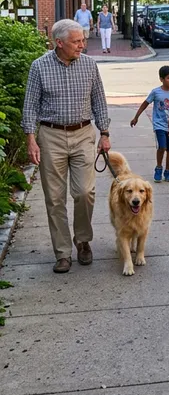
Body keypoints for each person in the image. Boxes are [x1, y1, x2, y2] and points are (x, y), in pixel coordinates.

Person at [22, 19, 111, 273]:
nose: (82, 45)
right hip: (51, 136)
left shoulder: (90, 65)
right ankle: (62, 253)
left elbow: (99, 101)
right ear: (59, 43)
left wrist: (104, 133)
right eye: (77, 41)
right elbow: (30, 105)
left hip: (83, 133)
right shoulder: (39, 67)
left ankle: (83, 240)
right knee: (54, 198)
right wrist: (30, 138)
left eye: (83, 40)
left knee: (85, 192)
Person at [130, 65, 169, 183]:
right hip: (159, 125)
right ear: (161, 79)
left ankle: (167, 171)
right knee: (162, 147)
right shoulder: (156, 92)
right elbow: (145, 104)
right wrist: (136, 117)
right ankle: (159, 167)